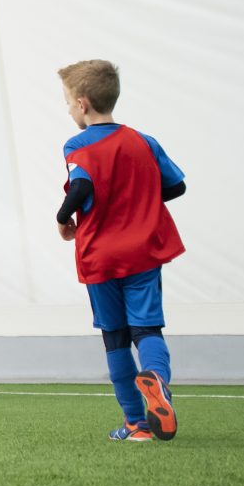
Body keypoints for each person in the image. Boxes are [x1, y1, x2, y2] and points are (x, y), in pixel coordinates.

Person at [57, 60, 186, 441]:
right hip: (143, 251)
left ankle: (136, 424)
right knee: (147, 328)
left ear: (82, 104)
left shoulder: (78, 143)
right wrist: (140, 198)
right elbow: (176, 186)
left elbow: (80, 187)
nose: (67, 110)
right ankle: (157, 380)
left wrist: (63, 218)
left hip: (100, 253)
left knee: (114, 337)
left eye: (66, 103)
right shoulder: (144, 140)